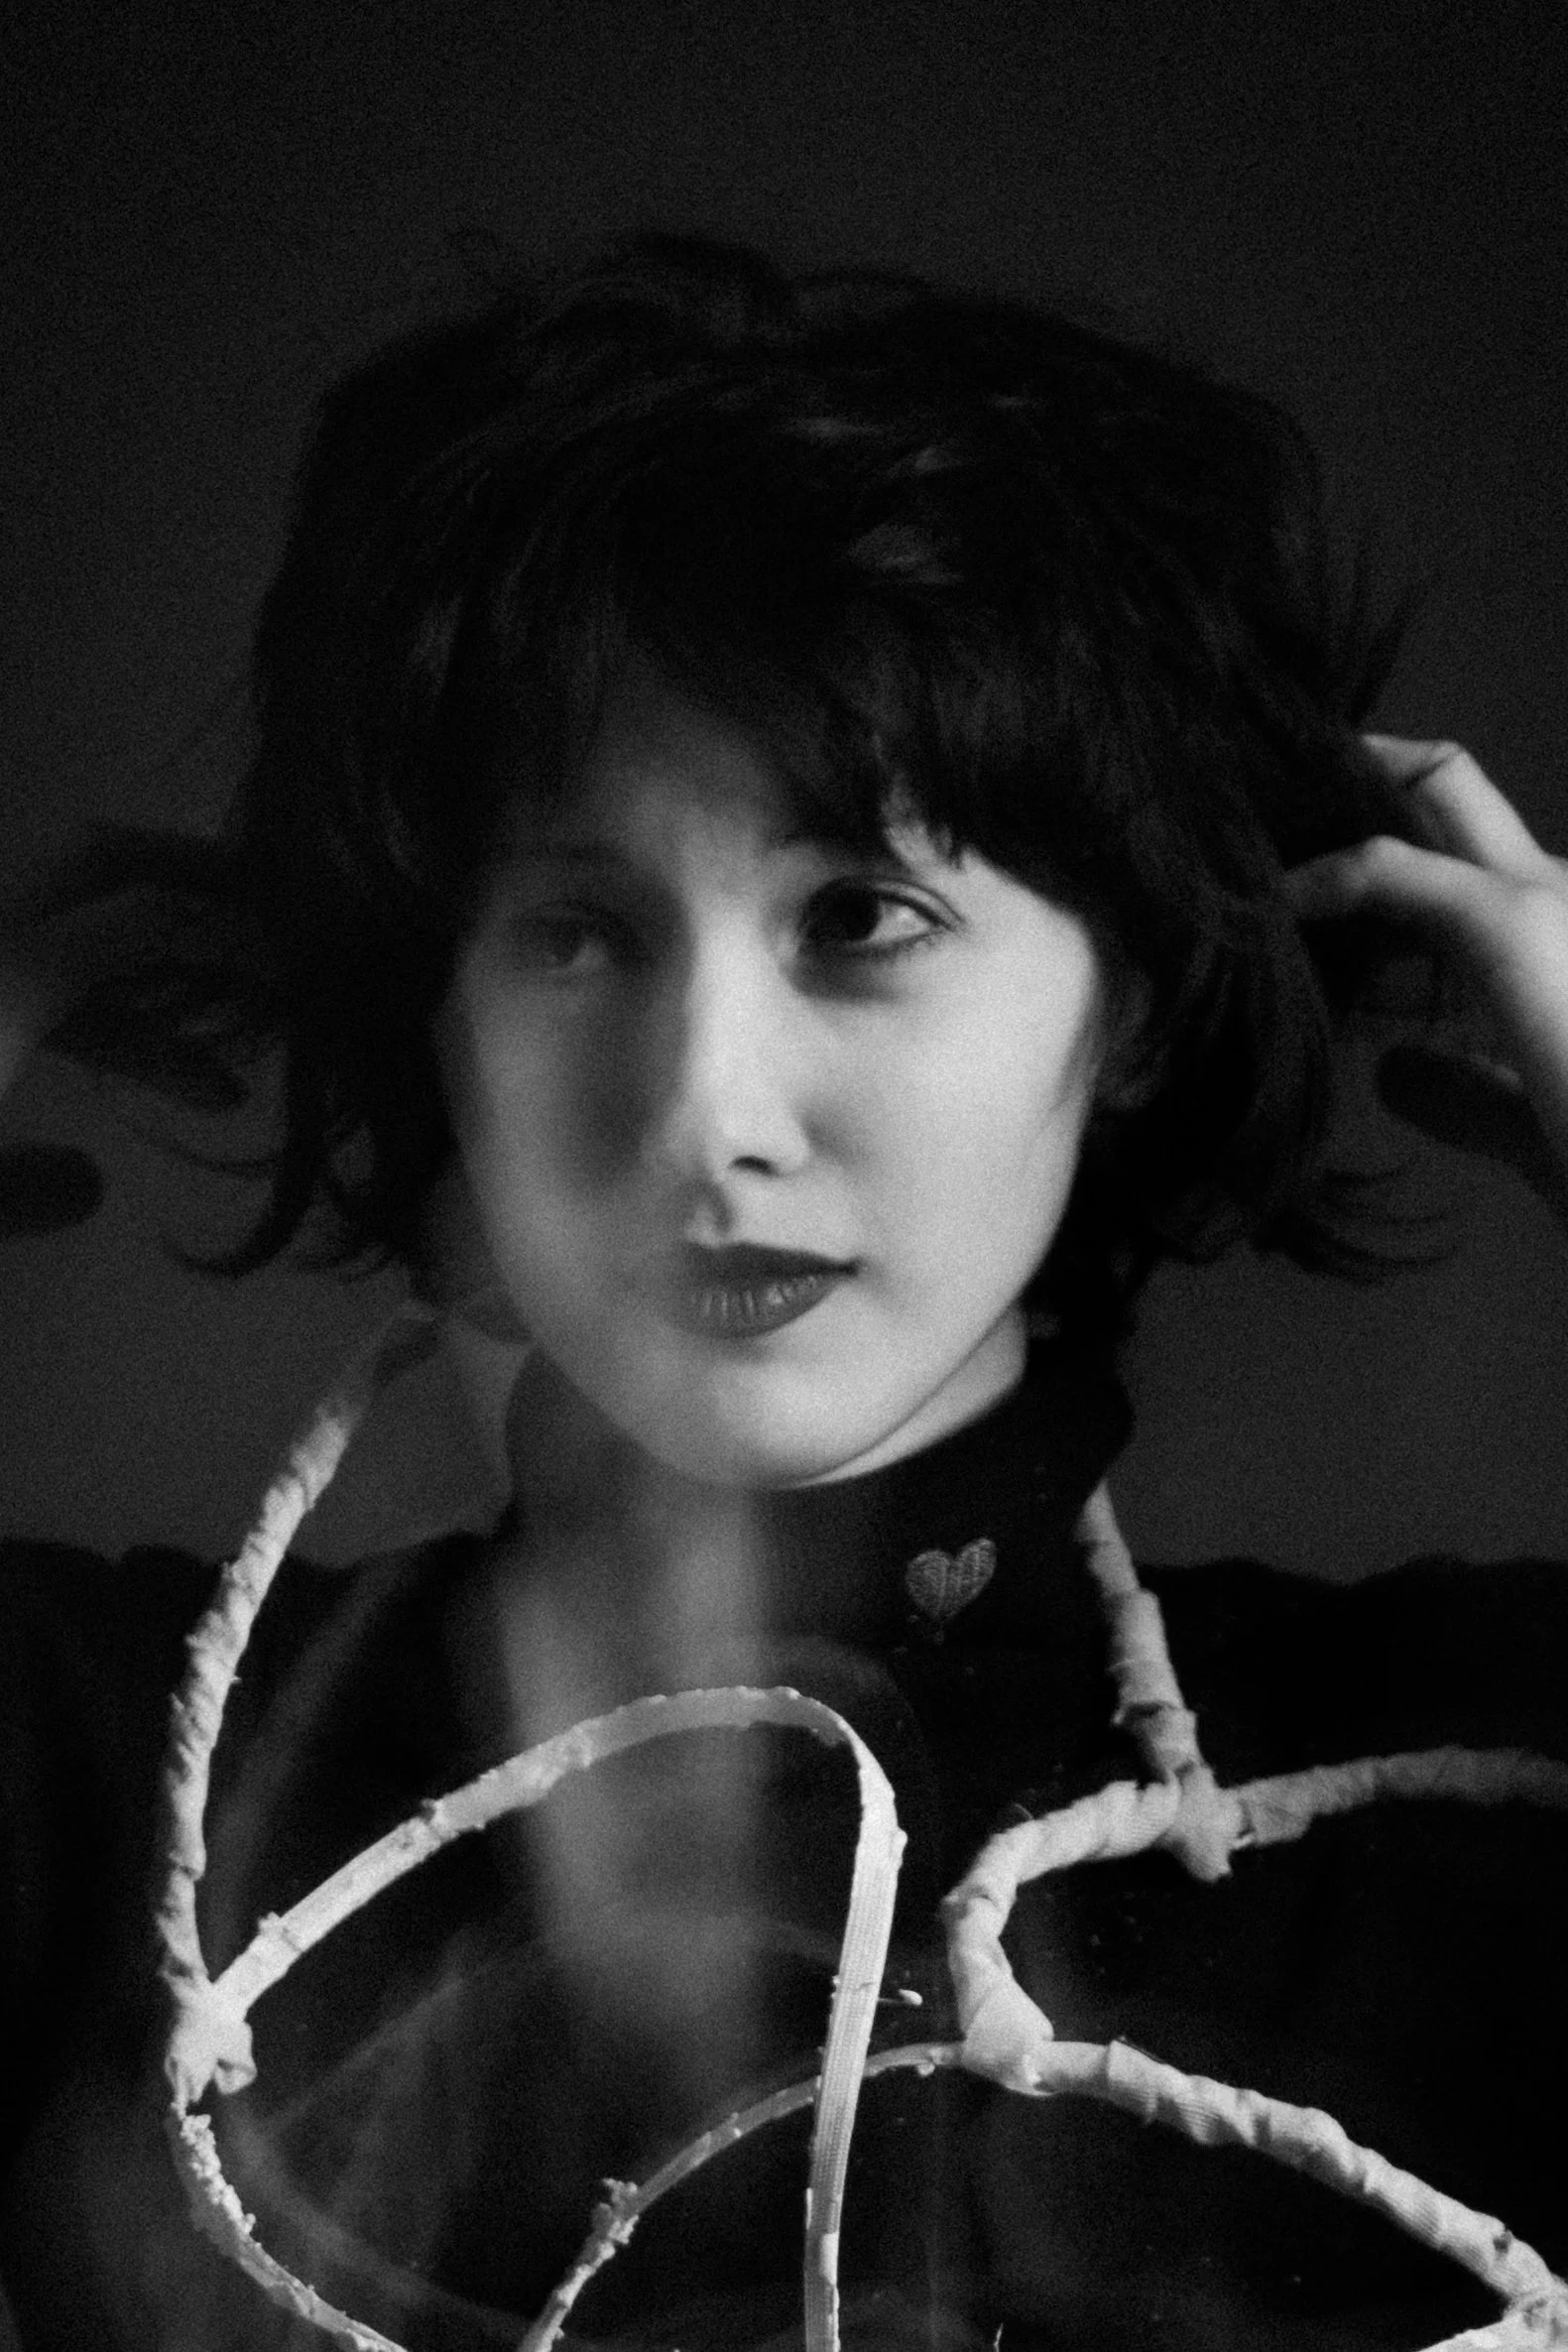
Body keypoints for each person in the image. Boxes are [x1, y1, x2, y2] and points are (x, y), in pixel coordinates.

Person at [3, 232, 1567, 2352]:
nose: (701, 1117)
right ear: (430, 1003)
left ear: (1129, 995)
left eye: (860, 913)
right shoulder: (116, 1804)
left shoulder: (1467, 1812)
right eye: (573, 931)